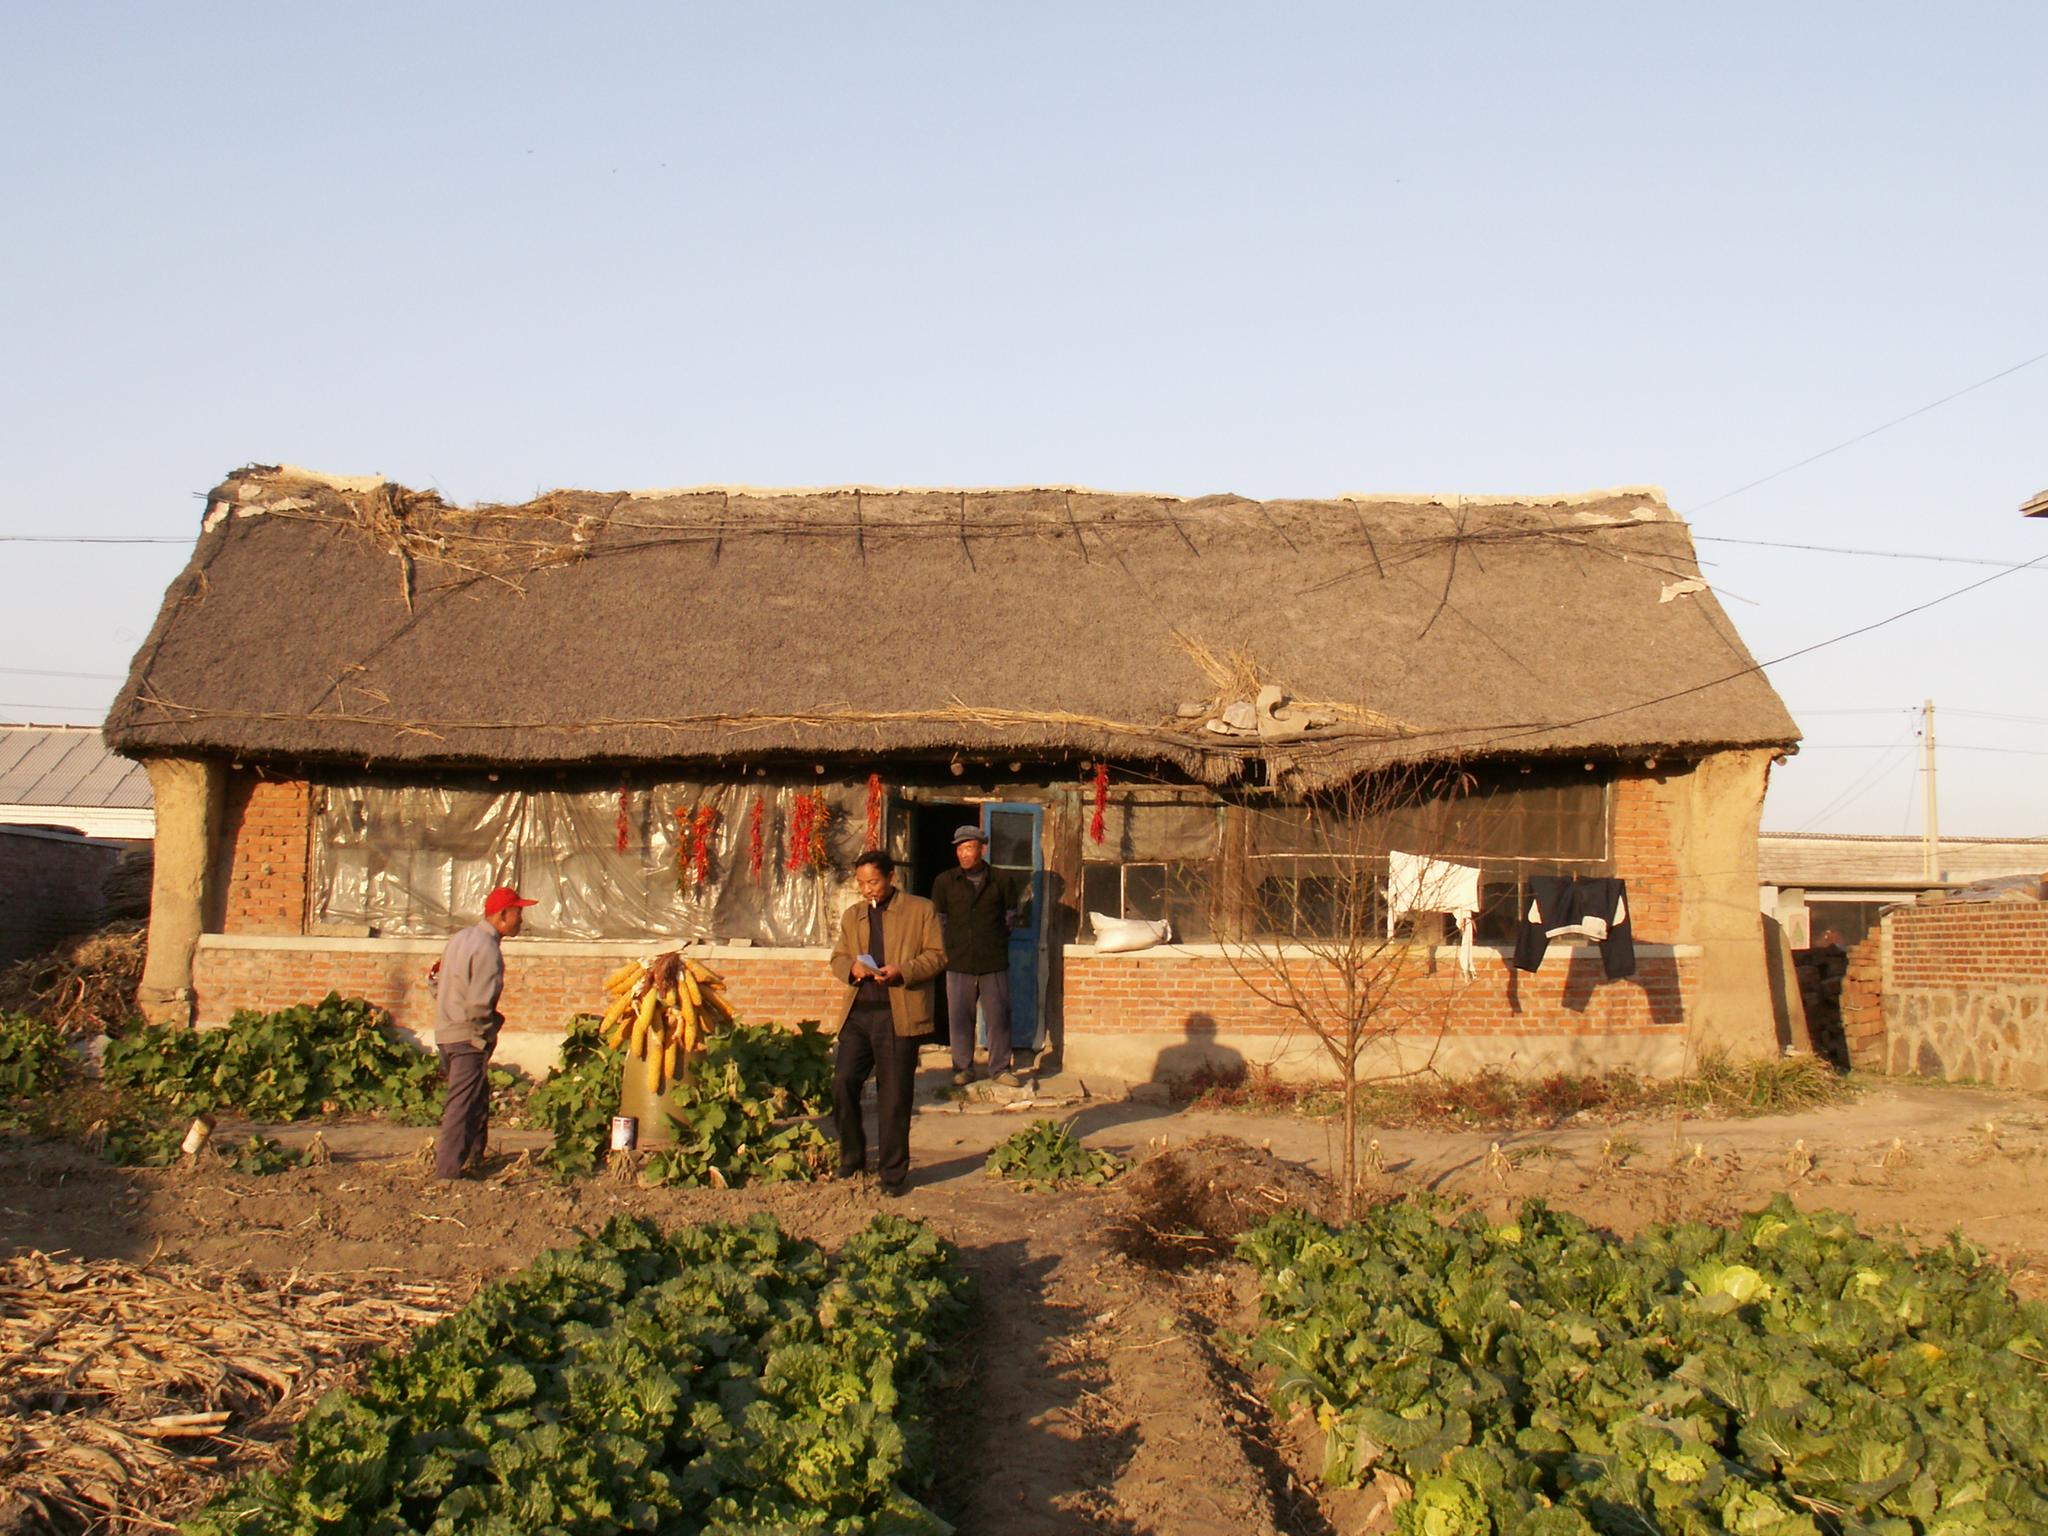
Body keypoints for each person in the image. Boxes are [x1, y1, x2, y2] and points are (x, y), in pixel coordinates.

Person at [825, 850, 946, 1196]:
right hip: (859, 1013)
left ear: (892, 877)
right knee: (843, 1082)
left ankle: (893, 1175)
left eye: (873, 882)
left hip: (899, 1013)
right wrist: (852, 968)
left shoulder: (920, 910)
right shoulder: (854, 915)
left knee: (893, 1097)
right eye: (861, 883)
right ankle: (851, 1157)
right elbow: (838, 957)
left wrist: (903, 970)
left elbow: (938, 955)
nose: (867, 890)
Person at [431, 884, 535, 1180]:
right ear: (502, 915)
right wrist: (488, 1028)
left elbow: (434, 979)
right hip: (468, 1037)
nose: (522, 920)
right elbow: (480, 1003)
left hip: (447, 1032)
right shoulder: (488, 949)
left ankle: (475, 1155)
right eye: (518, 913)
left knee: (476, 1096)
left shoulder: (459, 939)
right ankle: (448, 1172)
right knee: (461, 1104)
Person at [929, 824, 1025, 1086]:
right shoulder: (945, 881)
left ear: (982, 849)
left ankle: (1000, 1069)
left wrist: (992, 940)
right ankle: (962, 1068)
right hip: (958, 961)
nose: (963, 853)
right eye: (959, 848)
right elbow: (940, 920)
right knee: (959, 1018)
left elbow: (1010, 916)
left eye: (969, 847)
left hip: (993, 960)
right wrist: (952, 946)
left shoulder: (1002, 880)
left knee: (998, 1017)